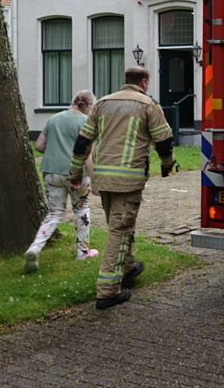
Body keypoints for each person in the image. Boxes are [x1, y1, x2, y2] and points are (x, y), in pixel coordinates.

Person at [69, 67, 175, 310]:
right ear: (144, 83)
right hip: (128, 181)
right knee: (119, 230)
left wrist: (75, 172)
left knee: (121, 225)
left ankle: (127, 267)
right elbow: (164, 140)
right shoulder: (148, 105)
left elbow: (82, 142)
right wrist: (167, 165)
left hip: (104, 179)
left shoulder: (102, 104)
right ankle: (107, 291)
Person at [24, 90, 98, 273]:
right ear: (88, 105)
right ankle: (82, 251)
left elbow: (39, 145)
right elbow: (87, 154)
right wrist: (95, 179)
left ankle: (35, 247)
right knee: (81, 210)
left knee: (54, 213)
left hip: (51, 172)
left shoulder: (54, 119)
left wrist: (55, 152)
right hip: (76, 174)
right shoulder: (86, 122)